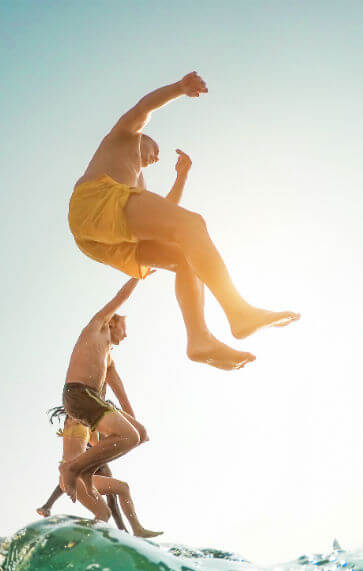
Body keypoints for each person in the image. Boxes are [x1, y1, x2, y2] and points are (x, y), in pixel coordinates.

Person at [68, 71, 299, 370]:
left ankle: (199, 339)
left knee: (184, 255)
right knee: (193, 224)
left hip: (100, 238)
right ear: (144, 138)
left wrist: (182, 177)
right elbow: (143, 108)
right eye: (155, 150)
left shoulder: (136, 183)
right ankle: (238, 311)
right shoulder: (125, 135)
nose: (156, 157)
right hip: (94, 201)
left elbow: (161, 217)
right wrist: (179, 88)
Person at [56, 278, 156, 524]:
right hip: (78, 393)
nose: (126, 334)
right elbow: (120, 297)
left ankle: (86, 470)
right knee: (130, 436)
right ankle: (74, 469)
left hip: (92, 401)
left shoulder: (108, 358)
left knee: (139, 434)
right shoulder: (97, 327)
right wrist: (137, 276)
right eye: (124, 327)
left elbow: (121, 394)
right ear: (113, 322)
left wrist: (133, 421)